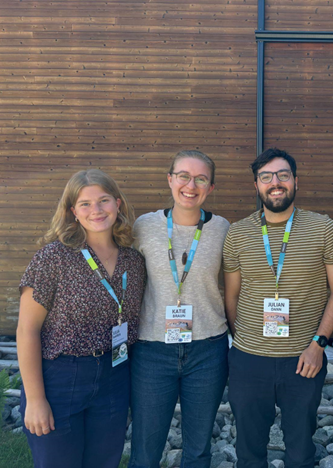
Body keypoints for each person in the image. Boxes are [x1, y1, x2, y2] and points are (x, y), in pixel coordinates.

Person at [223, 148, 333, 468]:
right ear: (256, 185)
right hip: (248, 361)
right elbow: (232, 296)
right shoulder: (237, 233)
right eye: (266, 177)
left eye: (283, 175)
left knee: (301, 450)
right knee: (249, 451)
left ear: (296, 181)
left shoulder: (323, 228)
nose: (275, 183)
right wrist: (247, 341)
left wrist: (318, 344)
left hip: (304, 360)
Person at [17, 169, 146, 468]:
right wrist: (36, 400)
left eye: (103, 201)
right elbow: (26, 330)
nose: (96, 210)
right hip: (61, 377)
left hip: (114, 376)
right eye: (85, 204)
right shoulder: (54, 257)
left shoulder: (134, 260)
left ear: (118, 204)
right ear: (73, 212)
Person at [129, 150, 230, 468]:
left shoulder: (224, 229)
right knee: (146, 450)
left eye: (201, 178)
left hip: (208, 349)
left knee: (198, 449)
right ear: (170, 179)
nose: (191, 184)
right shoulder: (143, 227)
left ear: (211, 187)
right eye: (184, 175)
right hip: (152, 350)